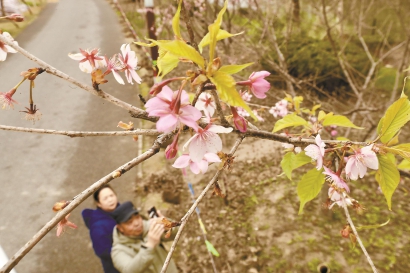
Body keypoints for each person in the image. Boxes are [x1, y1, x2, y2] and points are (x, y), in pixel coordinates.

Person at [111, 201, 178, 273]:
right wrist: (149, 246)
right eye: (130, 222)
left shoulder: (149, 226)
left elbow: (177, 233)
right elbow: (129, 270)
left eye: (137, 217)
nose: (136, 223)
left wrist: (168, 226)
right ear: (120, 228)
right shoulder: (118, 251)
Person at [82, 185, 120, 273]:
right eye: (105, 198)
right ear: (98, 203)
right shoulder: (97, 226)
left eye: (111, 195)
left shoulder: (122, 211)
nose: (110, 200)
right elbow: (104, 252)